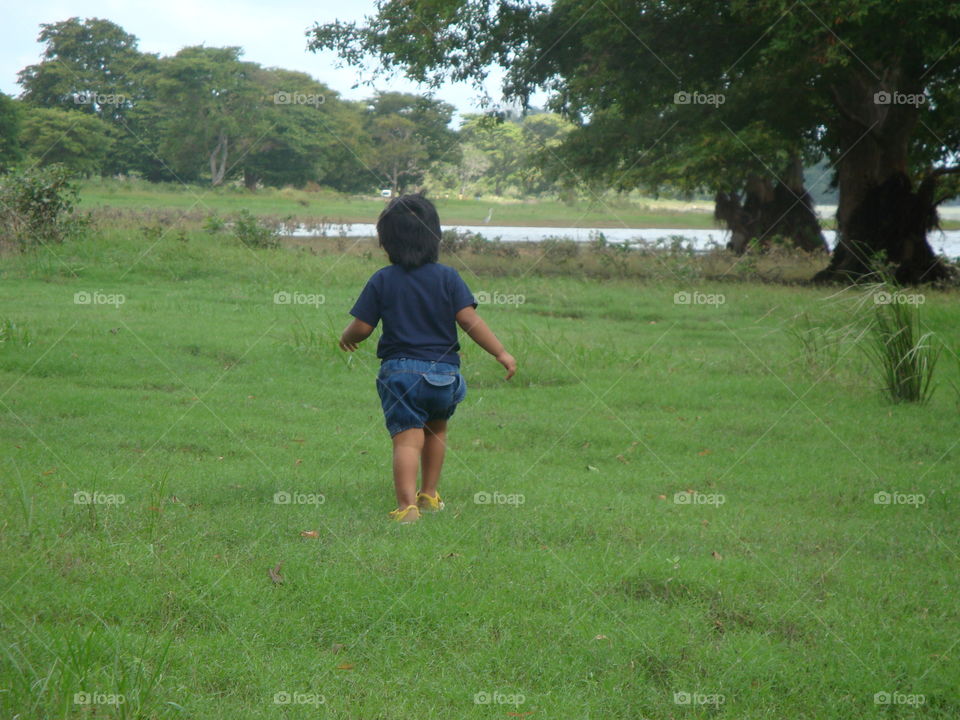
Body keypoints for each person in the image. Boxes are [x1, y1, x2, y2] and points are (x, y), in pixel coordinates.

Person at [339, 194, 516, 523]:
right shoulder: (448, 278)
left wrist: (347, 337)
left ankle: (406, 506)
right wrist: (501, 352)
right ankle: (429, 495)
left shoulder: (383, 279)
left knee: (407, 438)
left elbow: (363, 326)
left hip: (402, 373)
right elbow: (469, 322)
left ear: (386, 241)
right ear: (435, 236)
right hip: (445, 375)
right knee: (437, 431)